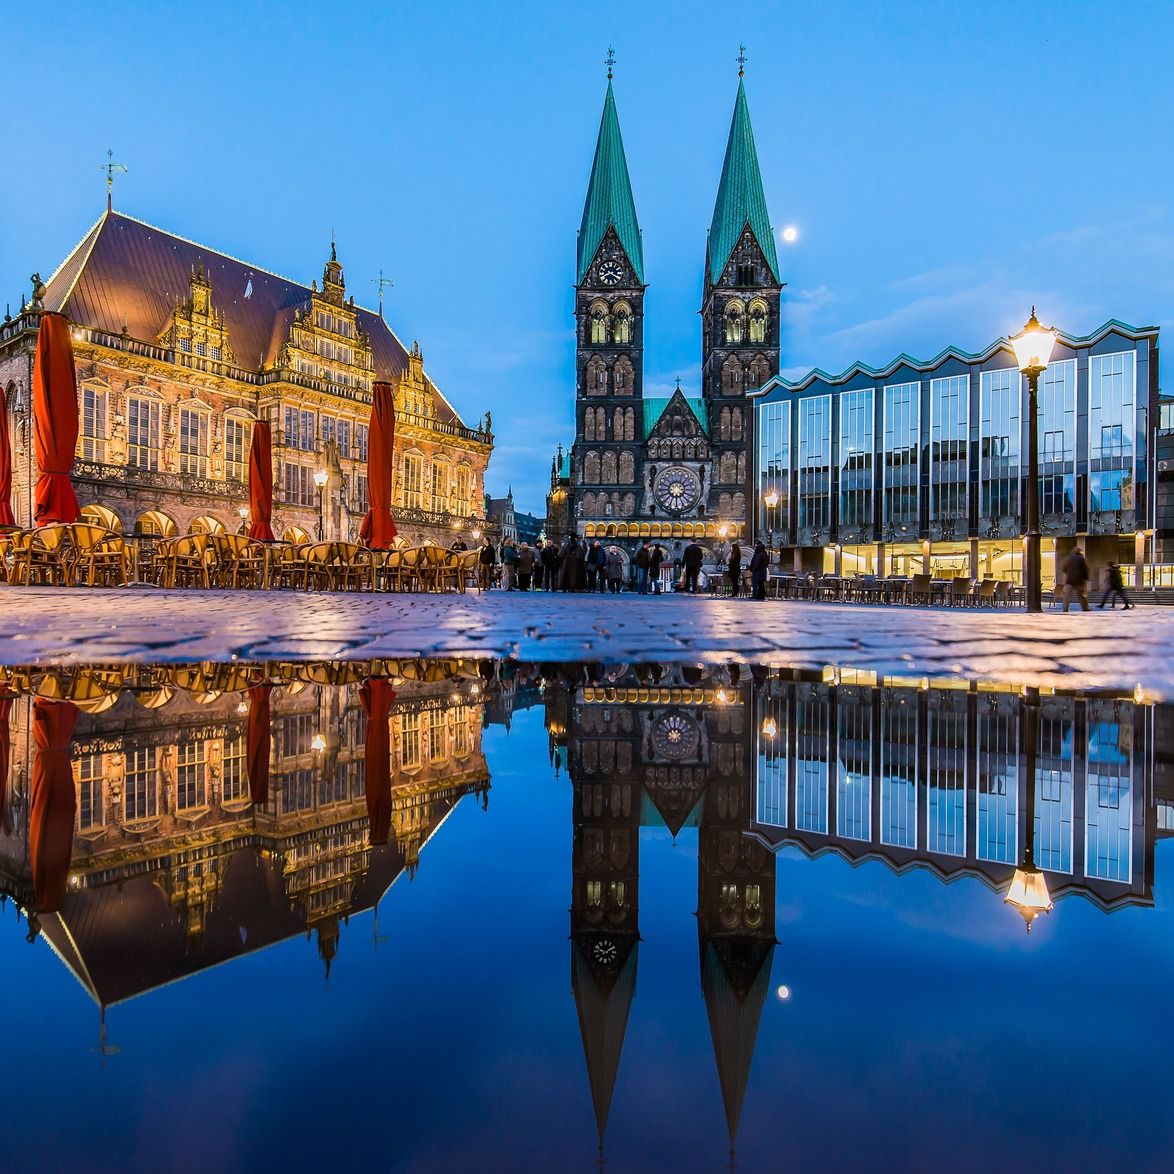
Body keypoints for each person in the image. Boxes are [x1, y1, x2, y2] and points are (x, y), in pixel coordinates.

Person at [1061, 544, 1090, 612]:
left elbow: (1064, 569)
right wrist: (1086, 579)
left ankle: (1065, 609)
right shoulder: (1081, 559)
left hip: (1069, 580)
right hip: (1079, 580)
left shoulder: (1067, 558)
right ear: (1079, 552)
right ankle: (1085, 608)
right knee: (1081, 596)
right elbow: (1085, 569)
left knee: (1066, 596)